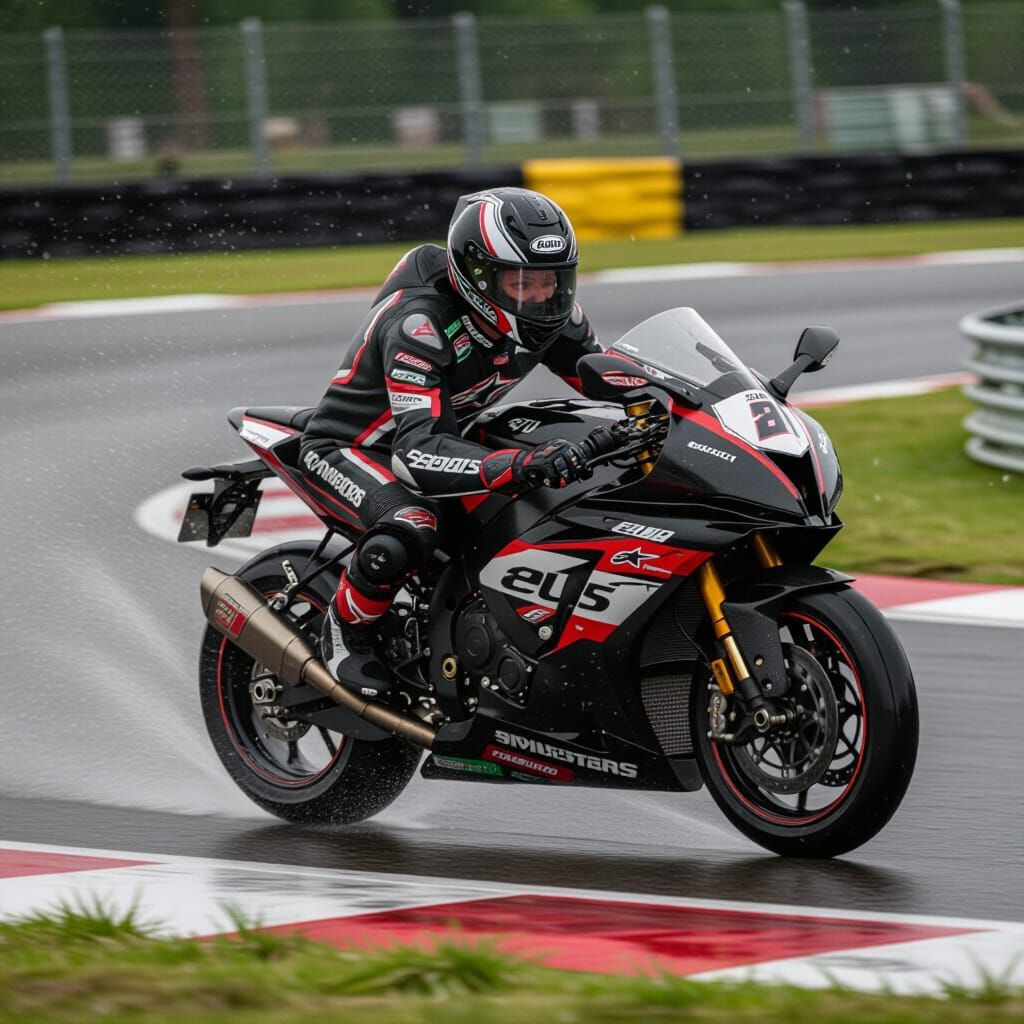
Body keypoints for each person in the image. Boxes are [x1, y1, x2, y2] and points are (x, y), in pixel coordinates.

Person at [299, 187, 602, 701]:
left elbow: (607, 377)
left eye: (553, 281)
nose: (543, 298)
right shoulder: (421, 325)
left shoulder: (552, 319)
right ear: (478, 276)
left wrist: (696, 400)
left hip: (445, 438)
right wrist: (520, 463)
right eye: (523, 283)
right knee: (411, 528)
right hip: (354, 449)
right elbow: (414, 452)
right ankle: (344, 629)